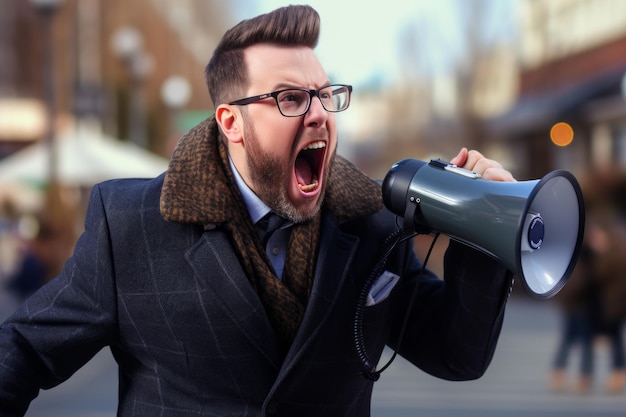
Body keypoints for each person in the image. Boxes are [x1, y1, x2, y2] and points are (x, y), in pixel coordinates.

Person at [0, 5, 517, 416]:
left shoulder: (376, 226)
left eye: (324, 95)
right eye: (291, 98)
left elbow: (457, 355)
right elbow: (25, 349)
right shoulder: (132, 223)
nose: (317, 114)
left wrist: (485, 229)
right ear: (230, 121)